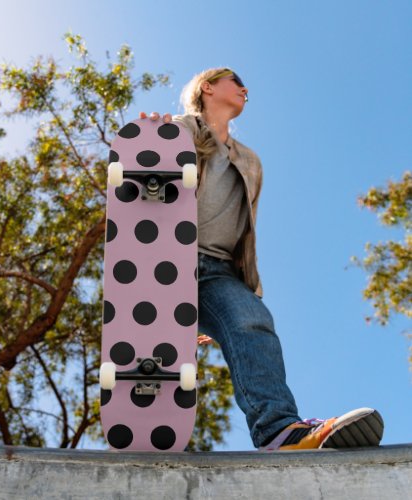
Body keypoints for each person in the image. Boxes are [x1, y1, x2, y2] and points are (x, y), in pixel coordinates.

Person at [139, 67, 384, 450]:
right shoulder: (179, 130)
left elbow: (244, 228)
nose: (244, 89)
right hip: (168, 258)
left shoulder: (250, 160)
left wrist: (231, 294)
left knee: (252, 320)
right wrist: (152, 137)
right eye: (235, 82)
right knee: (158, 356)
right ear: (207, 87)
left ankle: (279, 432)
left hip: (218, 270)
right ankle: (146, 425)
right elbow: (146, 169)